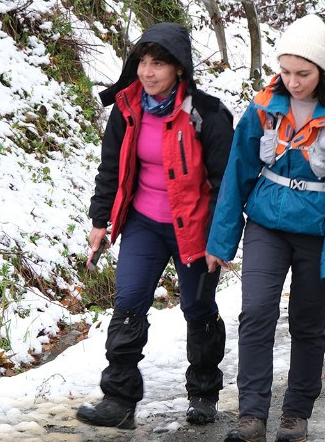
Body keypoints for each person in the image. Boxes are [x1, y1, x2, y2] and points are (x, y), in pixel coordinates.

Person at [206, 15, 325, 442]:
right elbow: (236, 175)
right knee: (256, 313)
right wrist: (221, 241)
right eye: (285, 72)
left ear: (321, 71)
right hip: (266, 224)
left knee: (307, 321)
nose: (294, 82)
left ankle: (296, 414)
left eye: (303, 73)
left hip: (317, 231)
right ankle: (251, 417)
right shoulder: (263, 108)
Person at [77, 23, 234, 430]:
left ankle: (203, 393)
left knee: (198, 310)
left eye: (158, 63)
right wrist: (100, 219)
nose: (147, 72)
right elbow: (110, 167)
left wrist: (220, 237)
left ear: (180, 69)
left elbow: (225, 184)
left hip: (194, 229)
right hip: (144, 223)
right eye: (142, 62)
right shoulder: (128, 108)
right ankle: (119, 400)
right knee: (128, 305)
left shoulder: (208, 115)